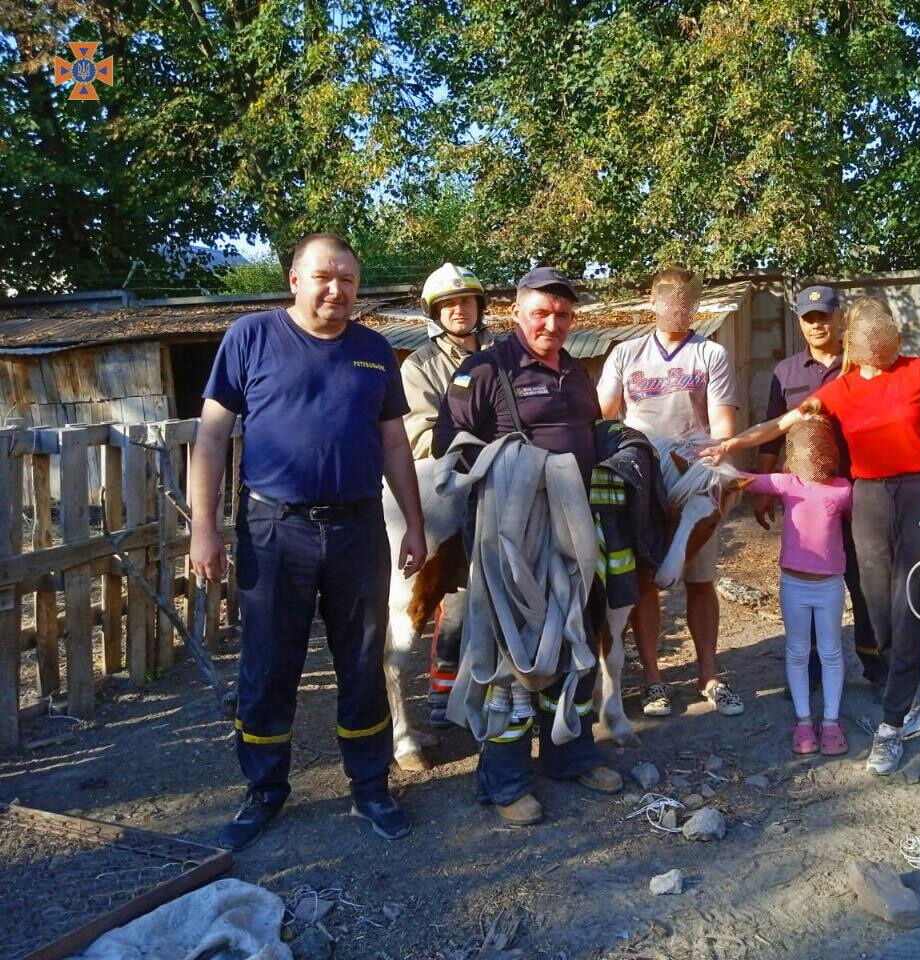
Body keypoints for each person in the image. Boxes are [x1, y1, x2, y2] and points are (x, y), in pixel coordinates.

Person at [189, 233, 427, 851]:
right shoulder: (251, 336)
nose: (336, 289)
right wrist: (204, 526)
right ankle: (265, 790)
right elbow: (213, 438)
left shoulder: (376, 351)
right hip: (274, 530)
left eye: (348, 280)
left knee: (363, 661)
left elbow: (395, 446)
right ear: (294, 278)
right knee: (269, 665)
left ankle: (370, 787)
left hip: (358, 529)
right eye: (323, 276)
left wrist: (417, 526)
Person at [703, 296, 920, 775]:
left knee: (913, 602)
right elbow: (781, 424)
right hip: (869, 494)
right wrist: (731, 444)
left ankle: (892, 721)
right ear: (855, 343)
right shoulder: (841, 390)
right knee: (878, 604)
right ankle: (905, 700)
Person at [432, 266, 622, 826]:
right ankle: (507, 779)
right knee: (512, 655)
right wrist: (516, 466)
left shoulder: (577, 373)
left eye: (563, 315)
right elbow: (452, 447)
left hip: (575, 534)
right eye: (541, 312)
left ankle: (570, 754)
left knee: (575, 639)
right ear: (517, 312)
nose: (552, 323)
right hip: (510, 539)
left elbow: (590, 431)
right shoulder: (484, 371)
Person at [596, 266, 744, 719]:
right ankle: (653, 679)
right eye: (668, 299)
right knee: (644, 582)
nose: (677, 308)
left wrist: (716, 473)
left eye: (685, 300)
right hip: (641, 480)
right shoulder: (625, 353)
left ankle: (709, 674)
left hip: (691, 479)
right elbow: (604, 416)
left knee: (700, 579)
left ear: (694, 304)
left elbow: (721, 427)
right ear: (653, 302)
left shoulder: (711, 354)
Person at [756, 285, 880, 688]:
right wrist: (762, 486)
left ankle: (877, 668)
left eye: (824, 316)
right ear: (800, 322)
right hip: (807, 500)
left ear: (839, 317)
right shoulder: (786, 372)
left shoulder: (861, 364)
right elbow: (773, 429)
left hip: (858, 490)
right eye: (809, 318)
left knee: (865, 583)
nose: (817, 324)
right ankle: (809, 676)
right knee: (808, 581)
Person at [400, 262, 496, 729]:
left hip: (509, 488)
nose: (458, 310)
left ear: (479, 306)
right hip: (455, 491)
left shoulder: (504, 354)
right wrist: (477, 447)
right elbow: (419, 434)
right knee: (458, 598)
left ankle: (509, 691)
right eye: (448, 305)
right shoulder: (420, 365)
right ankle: (443, 696)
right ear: (435, 314)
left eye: (465, 301)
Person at [742, 412, 852, 755]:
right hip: (794, 584)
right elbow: (746, 480)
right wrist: (712, 464)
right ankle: (804, 721)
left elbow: (865, 521)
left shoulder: (844, 489)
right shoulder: (789, 484)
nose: (811, 454)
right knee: (798, 650)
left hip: (830, 585)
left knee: (831, 652)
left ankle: (831, 722)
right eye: (804, 447)